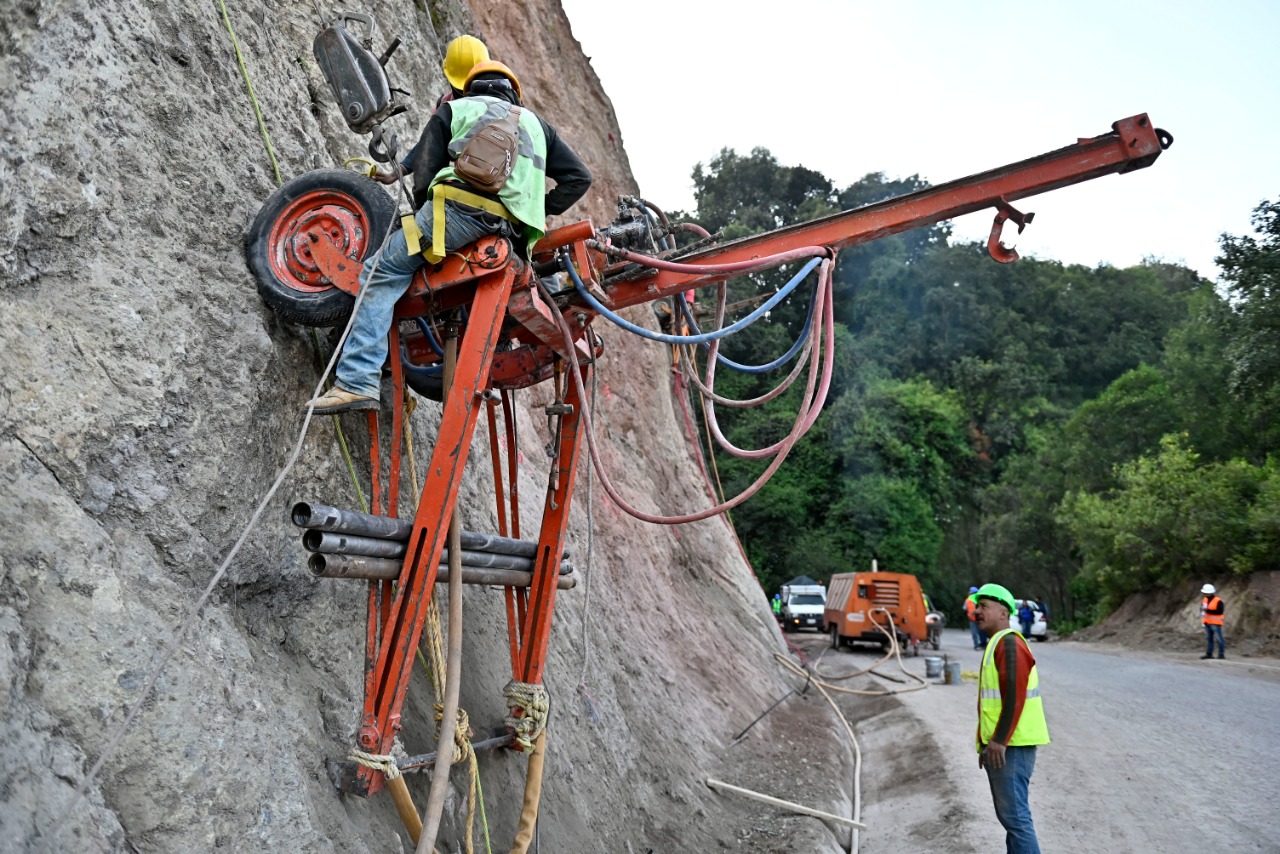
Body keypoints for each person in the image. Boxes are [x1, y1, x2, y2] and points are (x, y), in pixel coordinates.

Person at [308, 61, 592, 413]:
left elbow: (425, 172)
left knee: (380, 274)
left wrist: (427, 215)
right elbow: (580, 178)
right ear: (514, 91)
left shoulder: (456, 108)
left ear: (469, 87)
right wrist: (536, 209)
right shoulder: (537, 126)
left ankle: (356, 381)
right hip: (511, 237)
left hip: (456, 217)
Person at [973, 582, 1050, 854]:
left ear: (1004, 612)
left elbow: (1014, 696)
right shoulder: (998, 643)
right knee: (1012, 820)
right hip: (1007, 744)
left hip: (1012, 746)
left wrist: (998, 741)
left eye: (984, 606)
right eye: (976, 606)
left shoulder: (1009, 643)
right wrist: (986, 743)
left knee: (1016, 819)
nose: (977, 612)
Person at [374, 35, 490, 185]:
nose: (465, 95)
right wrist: (397, 173)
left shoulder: (500, 108)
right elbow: (429, 145)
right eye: (461, 90)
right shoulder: (446, 105)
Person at [1200, 583, 1225, 659]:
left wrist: (1208, 610)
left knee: (1219, 639)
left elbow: (1220, 611)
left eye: (1205, 592)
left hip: (1216, 623)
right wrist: (1202, 610)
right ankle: (1209, 654)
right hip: (1207, 622)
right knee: (1209, 639)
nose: (1204, 594)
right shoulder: (1205, 600)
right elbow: (1202, 609)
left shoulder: (1218, 601)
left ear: (1209, 593)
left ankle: (1221, 654)